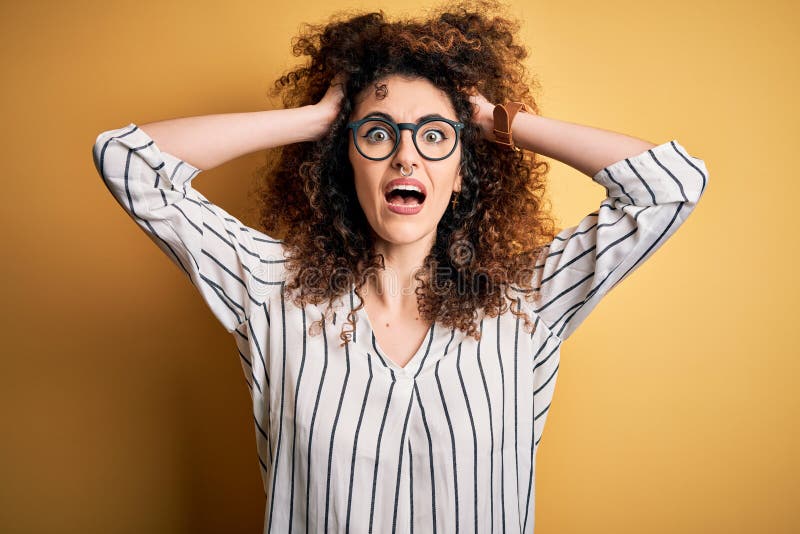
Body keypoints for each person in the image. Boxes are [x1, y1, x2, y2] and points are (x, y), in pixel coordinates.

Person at [91, 1, 709, 532]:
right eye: (380, 134)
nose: (406, 157)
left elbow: (670, 185)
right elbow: (128, 162)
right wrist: (316, 122)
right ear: (345, 161)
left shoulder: (528, 300)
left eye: (436, 136)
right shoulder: (270, 289)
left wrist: (501, 122)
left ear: (464, 169)